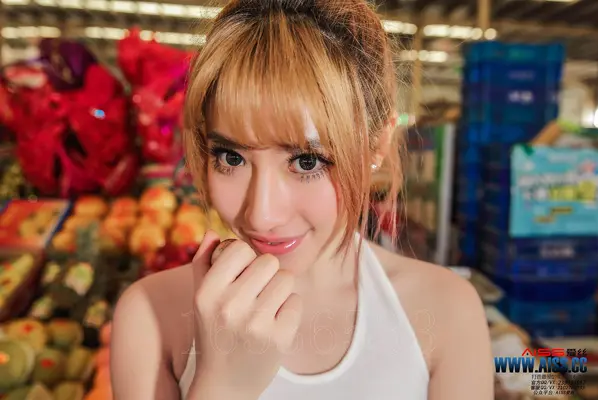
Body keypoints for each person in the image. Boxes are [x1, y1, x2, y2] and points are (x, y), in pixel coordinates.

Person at [110, 0, 493, 399]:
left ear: (377, 146)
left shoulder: (446, 312)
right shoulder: (151, 317)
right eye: (231, 157)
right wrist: (223, 385)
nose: (261, 215)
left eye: (306, 161)